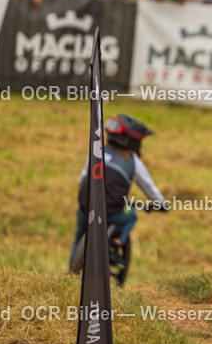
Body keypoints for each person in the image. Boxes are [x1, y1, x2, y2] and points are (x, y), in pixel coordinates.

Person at [69, 114, 168, 273]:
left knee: (79, 234)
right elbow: (149, 187)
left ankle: (71, 274)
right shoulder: (133, 160)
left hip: (85, 208)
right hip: (113, 212)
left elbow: (82, 179)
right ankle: (117, 242)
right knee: (131, 213)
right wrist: (161, 203)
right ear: (132, 140)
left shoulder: (97, 151)